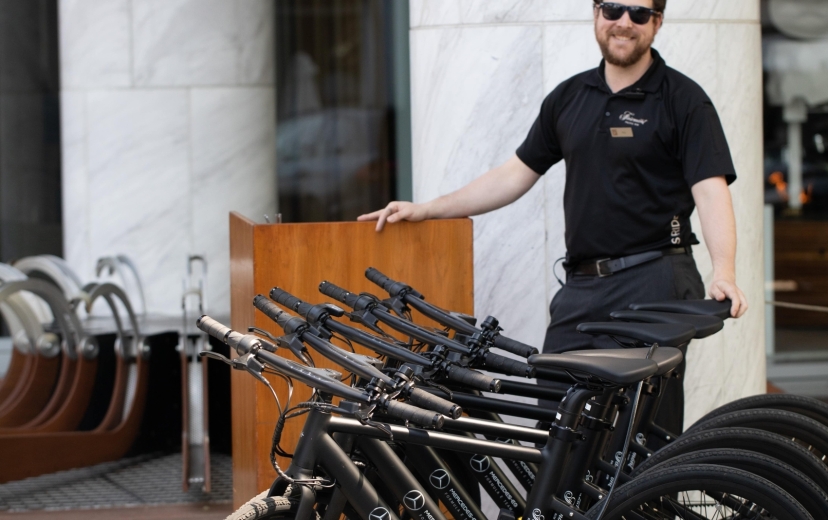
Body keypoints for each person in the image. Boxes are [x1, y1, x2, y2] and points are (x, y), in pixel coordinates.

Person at [358, 0, 748, 433]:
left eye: (638, 14)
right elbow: (512, 175)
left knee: (642, 431)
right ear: (596, 13)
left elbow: (710, 189)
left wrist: (724, 270)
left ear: (657, 23)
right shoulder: (569, 97)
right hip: (582, 289)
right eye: (614, 9)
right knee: (557, 418)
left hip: (656, 278)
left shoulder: (684, 99)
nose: (624, 23)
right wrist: (426, 208)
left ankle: (646, 503)